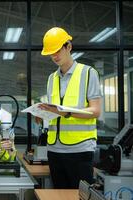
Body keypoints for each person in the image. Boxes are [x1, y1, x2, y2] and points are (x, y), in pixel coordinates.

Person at [38, 27, 102, 189]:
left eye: (57, 50)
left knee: (80, 196)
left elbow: (95, 111)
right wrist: (41, 115)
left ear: (69, 47)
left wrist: (65, 112)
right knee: (59, 196)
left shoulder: (88, 73)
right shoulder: (51, 78)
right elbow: (54, 112)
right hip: (54, 150)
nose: (54, 56)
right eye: (51, 53)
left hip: (80, 150)